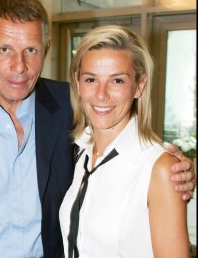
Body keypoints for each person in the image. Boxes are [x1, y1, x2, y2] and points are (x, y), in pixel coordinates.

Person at [0, 0, 195, 258]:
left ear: (45, 49)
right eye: (5, 49)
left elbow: (122, 137)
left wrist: (172, 170)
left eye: (31, 49)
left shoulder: (70, 103)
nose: (19, 66)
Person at [59, 25, 191, 257]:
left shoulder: (159, 168)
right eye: (91, 79)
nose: (101, 94)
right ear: (78, 84)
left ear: (139, 86)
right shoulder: (82, 153)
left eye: (117, 81)